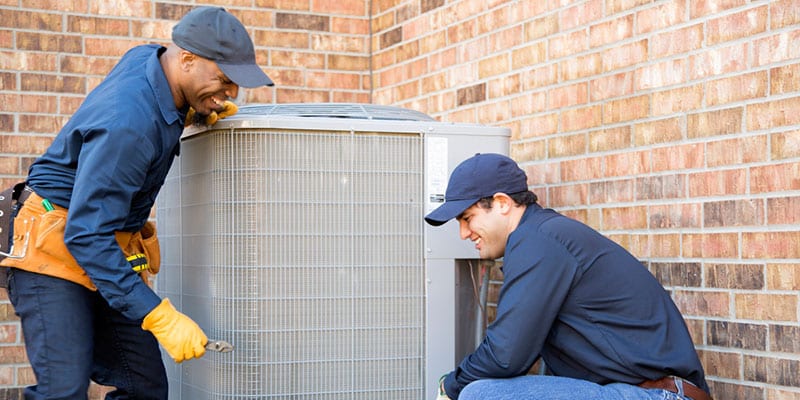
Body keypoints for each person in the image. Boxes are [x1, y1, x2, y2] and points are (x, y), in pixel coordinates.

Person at [0, 6, 272, 399]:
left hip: (100, 242)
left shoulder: (153, 61)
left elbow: (155, 94)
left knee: (144, 387)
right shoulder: (129, 123)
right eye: (225, 80)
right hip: (52, 249)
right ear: (188, 59)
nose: (230, 93)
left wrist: (196, 110)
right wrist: (158, 314)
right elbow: (85, 234)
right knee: (63, 390)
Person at [425, 153, 712, 400]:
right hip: (635, 391)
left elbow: (505, 356)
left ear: (501, 202)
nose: (463, 233)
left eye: (467, 218)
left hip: (658, 395)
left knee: (480, 394)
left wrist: (449, 387)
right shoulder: (542, 237)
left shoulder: (538, 242)